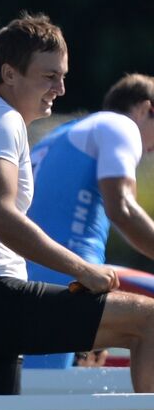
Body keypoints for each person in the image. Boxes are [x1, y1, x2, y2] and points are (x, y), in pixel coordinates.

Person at [0, 12, 154, 394]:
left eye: (63, 76)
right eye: (50, 77)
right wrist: (82, 269)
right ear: (10, 73)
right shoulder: (1, 120)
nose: (61, 89)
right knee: (149, 320)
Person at [22, 73, 154, 368]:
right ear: (146, 109)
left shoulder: (59, 135)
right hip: (69, 285)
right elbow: (122, 209)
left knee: (43, 390)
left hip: (26, 287)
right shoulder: (120, 126)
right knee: (151, 320)